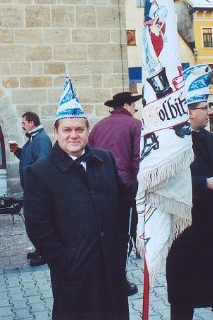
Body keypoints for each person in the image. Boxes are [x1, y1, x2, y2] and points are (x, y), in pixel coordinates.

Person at [23, 76, 132, 320]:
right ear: (56, 131)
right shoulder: (40, 172)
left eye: (79, 129)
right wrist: (65, 261)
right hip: (74, 274)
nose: (74, 135)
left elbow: (123, 201)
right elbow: (38, 227)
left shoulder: (105, 160)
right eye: (68, 130)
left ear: (88, 131)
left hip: (110, 269)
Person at [166, 64, 213, 319]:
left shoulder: (208, 139)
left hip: (211, 233)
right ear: (189, 112)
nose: (210, 111)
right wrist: (204, 183)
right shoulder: (172, 144)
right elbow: (167, 184)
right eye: (205, 107)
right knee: (183, 301)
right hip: (183, 235)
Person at [89, 91, 142, 296]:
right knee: (123, 234)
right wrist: (140, 186)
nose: (134, 110)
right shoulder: (135, 125)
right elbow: (138, 159)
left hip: (98, 187)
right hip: (124, 188)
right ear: (128, 105)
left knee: (104, 233)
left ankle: (102, 278)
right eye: (134, 106)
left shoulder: (99, 125)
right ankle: (119, 280)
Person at [9, 111, 51, 267]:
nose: (22, 125)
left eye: (24, 123)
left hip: (37, 190)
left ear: (32, 123)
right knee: (33, 221)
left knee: (38, 222)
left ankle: (45, 252)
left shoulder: (42, 139)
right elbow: (29, 158)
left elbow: (42, 163)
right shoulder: (33, 139)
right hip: (31, 188)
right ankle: (40, 248)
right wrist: (17, 151)